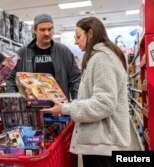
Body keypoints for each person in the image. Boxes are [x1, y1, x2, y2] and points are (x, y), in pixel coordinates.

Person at [41, 16, 131, 167]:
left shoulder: (102, 59)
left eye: (78, 37)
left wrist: (65, 108)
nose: (76, 42)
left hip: (104, 148)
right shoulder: (99, 57)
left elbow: (104, 103)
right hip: (102, 146)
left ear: (90, 33)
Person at [5, 13, 81, 101]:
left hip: (59, 109)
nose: (47, 33)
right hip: (31, 109)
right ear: (34, 30)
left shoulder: (64, 51)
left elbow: (75, 78)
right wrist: (13, 101)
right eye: (42, 29)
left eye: (50, 29)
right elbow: (10, 78)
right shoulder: (22, 53)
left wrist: (76, 103)